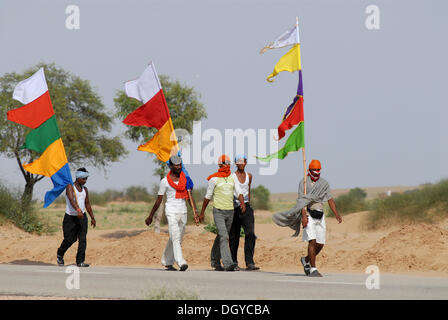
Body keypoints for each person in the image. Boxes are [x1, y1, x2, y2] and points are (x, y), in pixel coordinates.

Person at [272, 159, 342, 277]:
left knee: (320, 244)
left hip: (320, 215)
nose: (316, 172)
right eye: (314, 170)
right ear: (309, 170)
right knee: (312, 241)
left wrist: (337, 214)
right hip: (309, 214)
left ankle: (305, 260)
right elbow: (301, 201)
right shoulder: (304, 182)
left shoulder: (324, 183)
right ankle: (313, 269)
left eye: (318, 170)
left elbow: (330, 199)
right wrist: (304, 216)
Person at [145, 155, 199, 271]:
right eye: (176, 165)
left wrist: (195, 212)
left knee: (177, 237)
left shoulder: (186, 180)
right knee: (175, 236)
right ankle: (181, 261)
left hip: (183, 211)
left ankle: (166, 261)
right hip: (171, 211)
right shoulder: (164, 182)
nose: (179, 167)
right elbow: (159, 200)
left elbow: (190, 197)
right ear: (170, 166)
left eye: (180, 165)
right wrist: (150, 216)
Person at [199, 155, 246, 271]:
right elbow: (207, 197)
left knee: (222, 236)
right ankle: (228, 263)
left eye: (229, 163)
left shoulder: (232, 178)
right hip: (218, 211)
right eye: (225, 163)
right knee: (225, 236)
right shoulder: (213, 179)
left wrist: (242, 203)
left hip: (230, 211)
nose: (228, 165)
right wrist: (202, 213)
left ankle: (215, 261)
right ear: (220, 165)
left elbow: (239, 191)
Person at [57, 167, 96, 267]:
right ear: (78, 178)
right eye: (83, 179)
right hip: (70, 218)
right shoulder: (70, 187)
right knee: (70, 239)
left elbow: (87, 204)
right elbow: (71, 199)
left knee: (82, 239)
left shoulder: (85, 190)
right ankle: (60, 253)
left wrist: (92, 217)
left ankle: (80, 261)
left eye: (86, 178)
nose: (85, 181)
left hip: (82, 218)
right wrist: (77, 209)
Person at [229, 154, 259, 271]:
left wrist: (247, 204)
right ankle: (233, 261)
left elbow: (248, 189)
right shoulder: (232, 176)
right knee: (234, 236)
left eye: (243, 161)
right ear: (236, 163)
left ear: (246, 163)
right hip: (235, 207)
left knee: (250, 233)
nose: (241, 164)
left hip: (246, 207)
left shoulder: (249, 176)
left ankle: (249, 262)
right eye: (239, 162)